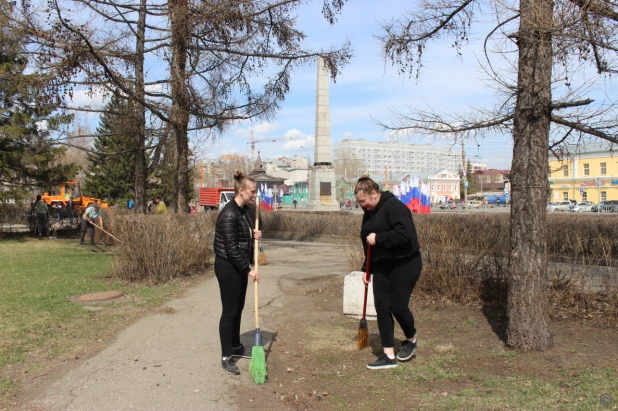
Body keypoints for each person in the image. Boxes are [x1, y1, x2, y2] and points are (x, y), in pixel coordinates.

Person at [355, 175, 422, 370]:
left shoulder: (394, 207)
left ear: (374, 193)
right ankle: (388, 356)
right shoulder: (369, 211)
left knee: (398, 307)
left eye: (363, 201)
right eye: (359, 202)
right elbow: (367, 241)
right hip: (381, 264)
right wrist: (367, 268)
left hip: (406, 262)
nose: (361, 206)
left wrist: (381, 238)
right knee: (382, 307)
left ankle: (411, 339)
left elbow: (405, 234)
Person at [213, 171, 262, 375]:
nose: (254, 195)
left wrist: (254, 234)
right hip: (228, 267)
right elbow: (232, 248)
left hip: (238, 266)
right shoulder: (229, 213)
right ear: (241, 191)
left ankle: (235, 345)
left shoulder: (244, 210)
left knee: (238, 308)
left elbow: (245, 234)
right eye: (252, 192)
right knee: (230, 311)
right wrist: (249, 270)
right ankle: (226, 356)